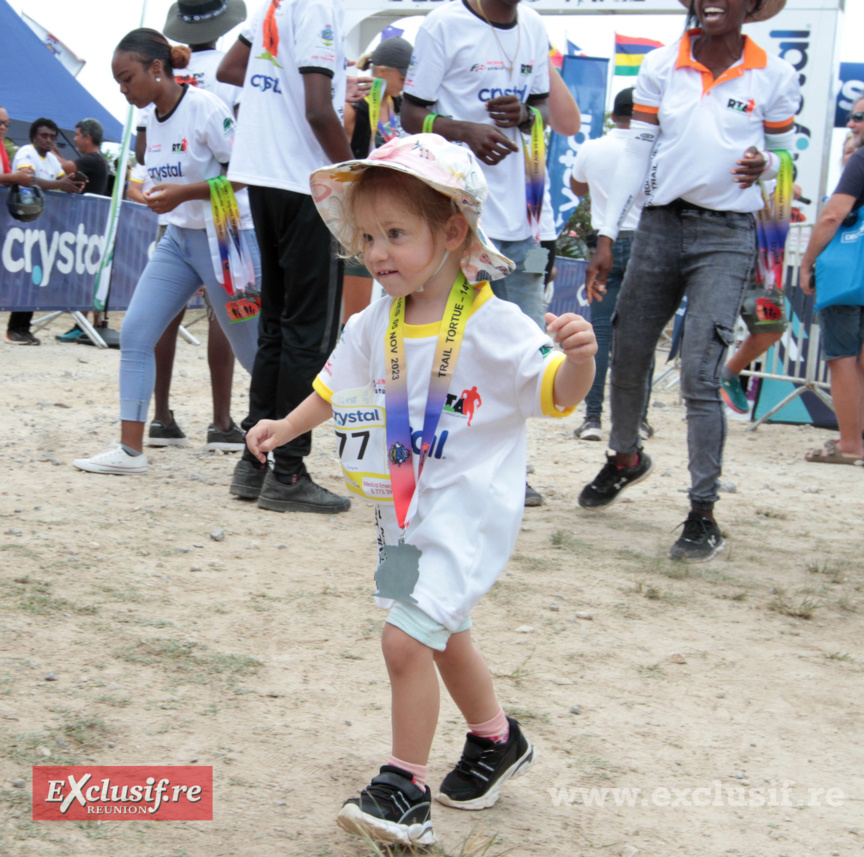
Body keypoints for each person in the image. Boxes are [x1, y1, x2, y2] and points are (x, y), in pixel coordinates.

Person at [246, 134, 597, 846]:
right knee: (442, 632)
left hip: (467, 516)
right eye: (367, 237)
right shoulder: (373, 320)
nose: (377, 252)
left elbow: (556, 392)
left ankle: (403, 789)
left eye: (396, 234)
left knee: (405, 639)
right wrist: (285, 426)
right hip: (400, 515)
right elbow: (333, 387)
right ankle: (496, 739)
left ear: (453, 232)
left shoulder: (495, 323)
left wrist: (580, 360)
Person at [577, 0, 800, 562]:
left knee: (701, 371)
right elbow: (636, 151)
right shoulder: (661, 64)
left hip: (727, 235)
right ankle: (625, 457)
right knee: (629, 352)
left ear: (753, 5)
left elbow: (785, 154)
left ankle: (703, 514)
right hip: (657, 226)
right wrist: (607, 234)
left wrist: (769, 167)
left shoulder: (774, 74)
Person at [73, 28, 261, 476]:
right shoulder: (150, 119)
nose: (123, 90)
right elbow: (156, 179)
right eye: (118, 82)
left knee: (253, 351)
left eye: (127, 78)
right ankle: (130, 451)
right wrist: (153, 194)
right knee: (137, 333)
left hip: (226, 238)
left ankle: (287, 447)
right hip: (178, 239)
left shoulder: (205, 107)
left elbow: (245, 172)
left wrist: (184, 193)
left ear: (156, 68)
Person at [400, 0, 553, 506]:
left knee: (523, 348)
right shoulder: (444, 23)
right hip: (461, 216)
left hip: (525, 218)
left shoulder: (534, 25)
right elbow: (410, 115)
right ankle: (434, 461)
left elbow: (544, 110)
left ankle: (508, 470)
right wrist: (463, 129)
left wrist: (526, 115)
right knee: (452, 345)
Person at [217, 0, 353, 513]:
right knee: (308, 332)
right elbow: (317, 109)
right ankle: (289, 471)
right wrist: (357, 178)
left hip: (263, 176)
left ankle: (254, 461)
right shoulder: (319, 6)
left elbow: (233, 67)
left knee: (275, 327)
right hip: (306, 182)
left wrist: (274, 95)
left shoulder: (276, 4)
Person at [143, 0, 250, 451]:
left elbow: (143, 148)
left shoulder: (158, 74)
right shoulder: (230, 70)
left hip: (169, 205)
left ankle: (161, 416)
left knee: (162, 313)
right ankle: (221, 422)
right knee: (227, 315)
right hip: (221, 210)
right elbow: (243, 148)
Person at [569, 87, 654, 442]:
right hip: (647, 244)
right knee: (641, 335)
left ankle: (592, 418)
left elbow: (577, 187)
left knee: (601, 334)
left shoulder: (593, 147)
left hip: (605, 244)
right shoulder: (654, 148)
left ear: (615, 115)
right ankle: (638, 420)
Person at [799, 143, 864, 465]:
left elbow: (832, 216)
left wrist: (806, 263)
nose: (852, 123)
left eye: (859, 120)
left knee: (843, 357)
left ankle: (850, 444)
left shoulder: (862, 159)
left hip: (848, 273)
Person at [341, 35, 413, 325]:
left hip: (394, 215)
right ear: (382, 71)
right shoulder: (353, 109)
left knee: (392, 304)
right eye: (403, 77)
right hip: (359, 217)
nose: (406, 84)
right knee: (355, 317)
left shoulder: (401, 107)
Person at [5, 118, 85, 345]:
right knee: (25, 277)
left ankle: (23, 328)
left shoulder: (51, 159)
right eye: (44, 135)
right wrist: (60, 185)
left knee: (35, 277)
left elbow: (63, 181)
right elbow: (27, 179)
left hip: (43, 227)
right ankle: (14, 329)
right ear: (33, 137)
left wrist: (74, 183)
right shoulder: (26, 153)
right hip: (23, 224)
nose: (48, 140)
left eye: (52, 136)